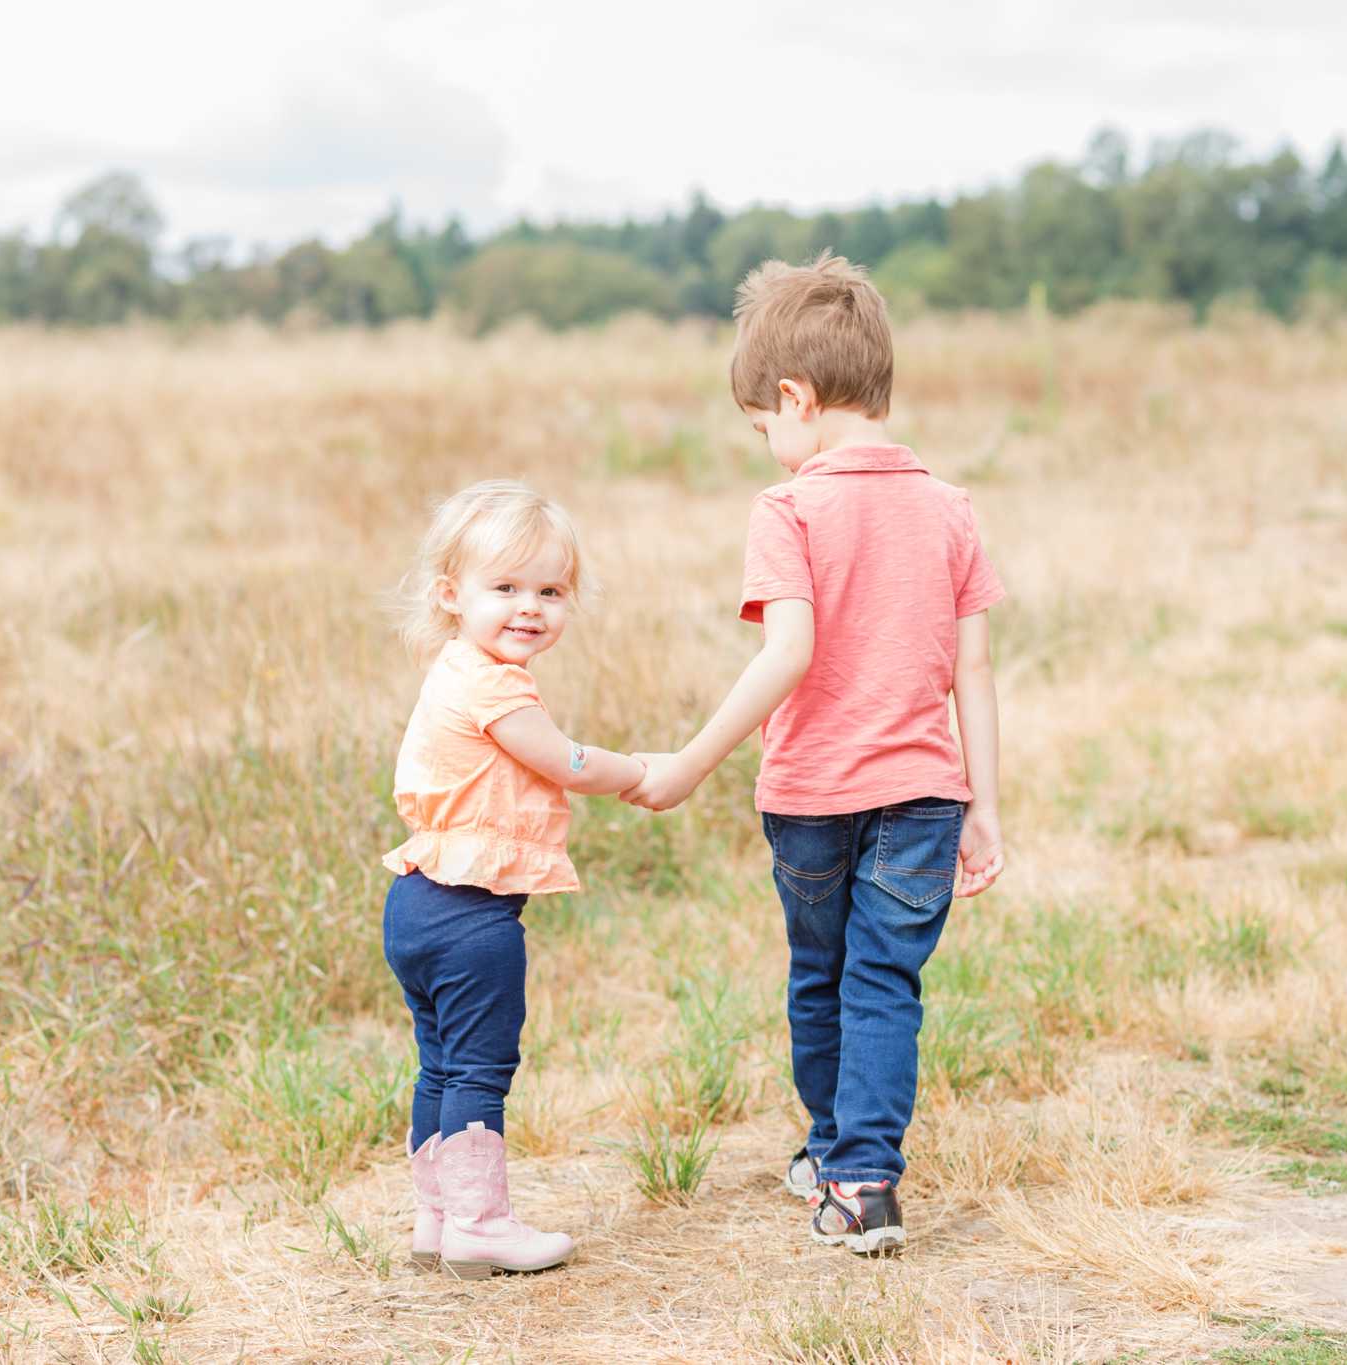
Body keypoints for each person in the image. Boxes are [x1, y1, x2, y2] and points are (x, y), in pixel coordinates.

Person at [625, 253, 1006, 1256]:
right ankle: (858, 1174)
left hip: (810, 798)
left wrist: (692, 759)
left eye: (764, 431)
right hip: (927, 794)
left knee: (821, 973)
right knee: (884, 980)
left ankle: (838, 1153)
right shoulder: (950, 507)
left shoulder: (788, 509)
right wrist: (986, 807)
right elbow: (974, 672)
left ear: (791, 398)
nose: (769, 451)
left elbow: (786, 653)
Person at [382, 480, 646, 1279]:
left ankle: (438, 1217)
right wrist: (639, 771)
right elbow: (560, 758)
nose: (530, 607)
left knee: (440, 1063)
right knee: (478, 1068)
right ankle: (482, 1224)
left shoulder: (454, 668)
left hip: (416, 904)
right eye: (506, 588)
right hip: (470, 917)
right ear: (450, 594)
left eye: (550, 590)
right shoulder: (498, 685)